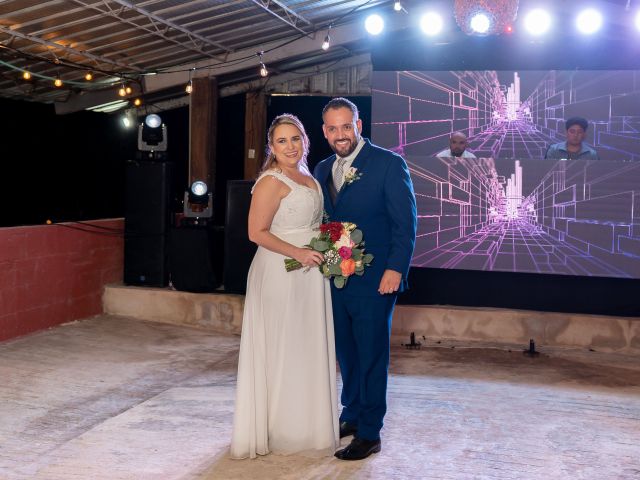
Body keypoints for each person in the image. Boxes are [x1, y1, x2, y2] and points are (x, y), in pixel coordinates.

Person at [230, 114, 339, 459]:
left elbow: (314, 224)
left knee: (305, 345)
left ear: (305, 141)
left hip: (311, 271)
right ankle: (280, 428)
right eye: (282, 141)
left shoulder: (309, 177)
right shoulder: (270, 181)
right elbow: (255, 232)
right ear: (271, 148)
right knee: (282, 345)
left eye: (295, 139)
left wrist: (336, 245)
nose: (290, 146)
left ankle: (306, 424)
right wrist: (298, 252)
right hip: (280, 270)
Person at [314, 98, 417, 461]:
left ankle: (370, 432)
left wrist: (395, 269)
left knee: (372, 354)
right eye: (332, 128)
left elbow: (406, 225)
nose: (340, 134)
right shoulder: (323, 167)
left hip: (377, 279)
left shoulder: (389, 164)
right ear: (324, 131)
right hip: (336, 279)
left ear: (359, 125)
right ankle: (352, 414)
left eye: (346, 126)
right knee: (347, 352)